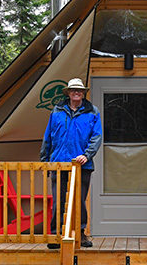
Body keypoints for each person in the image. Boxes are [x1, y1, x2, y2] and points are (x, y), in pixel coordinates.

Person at [40, 78, 102, 248]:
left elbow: (96, 137)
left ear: (83, 93)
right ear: (68, 92)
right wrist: (45, 161)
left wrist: (87, 155)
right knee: (58, 200)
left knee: (79, 200)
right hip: (58, 164)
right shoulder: (57, 111)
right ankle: (56, 235)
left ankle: (80, 234)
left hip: (82, 165)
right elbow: (48, 137)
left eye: (80, 90)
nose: (77, 92)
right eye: (73, 90)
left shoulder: (93, 112)